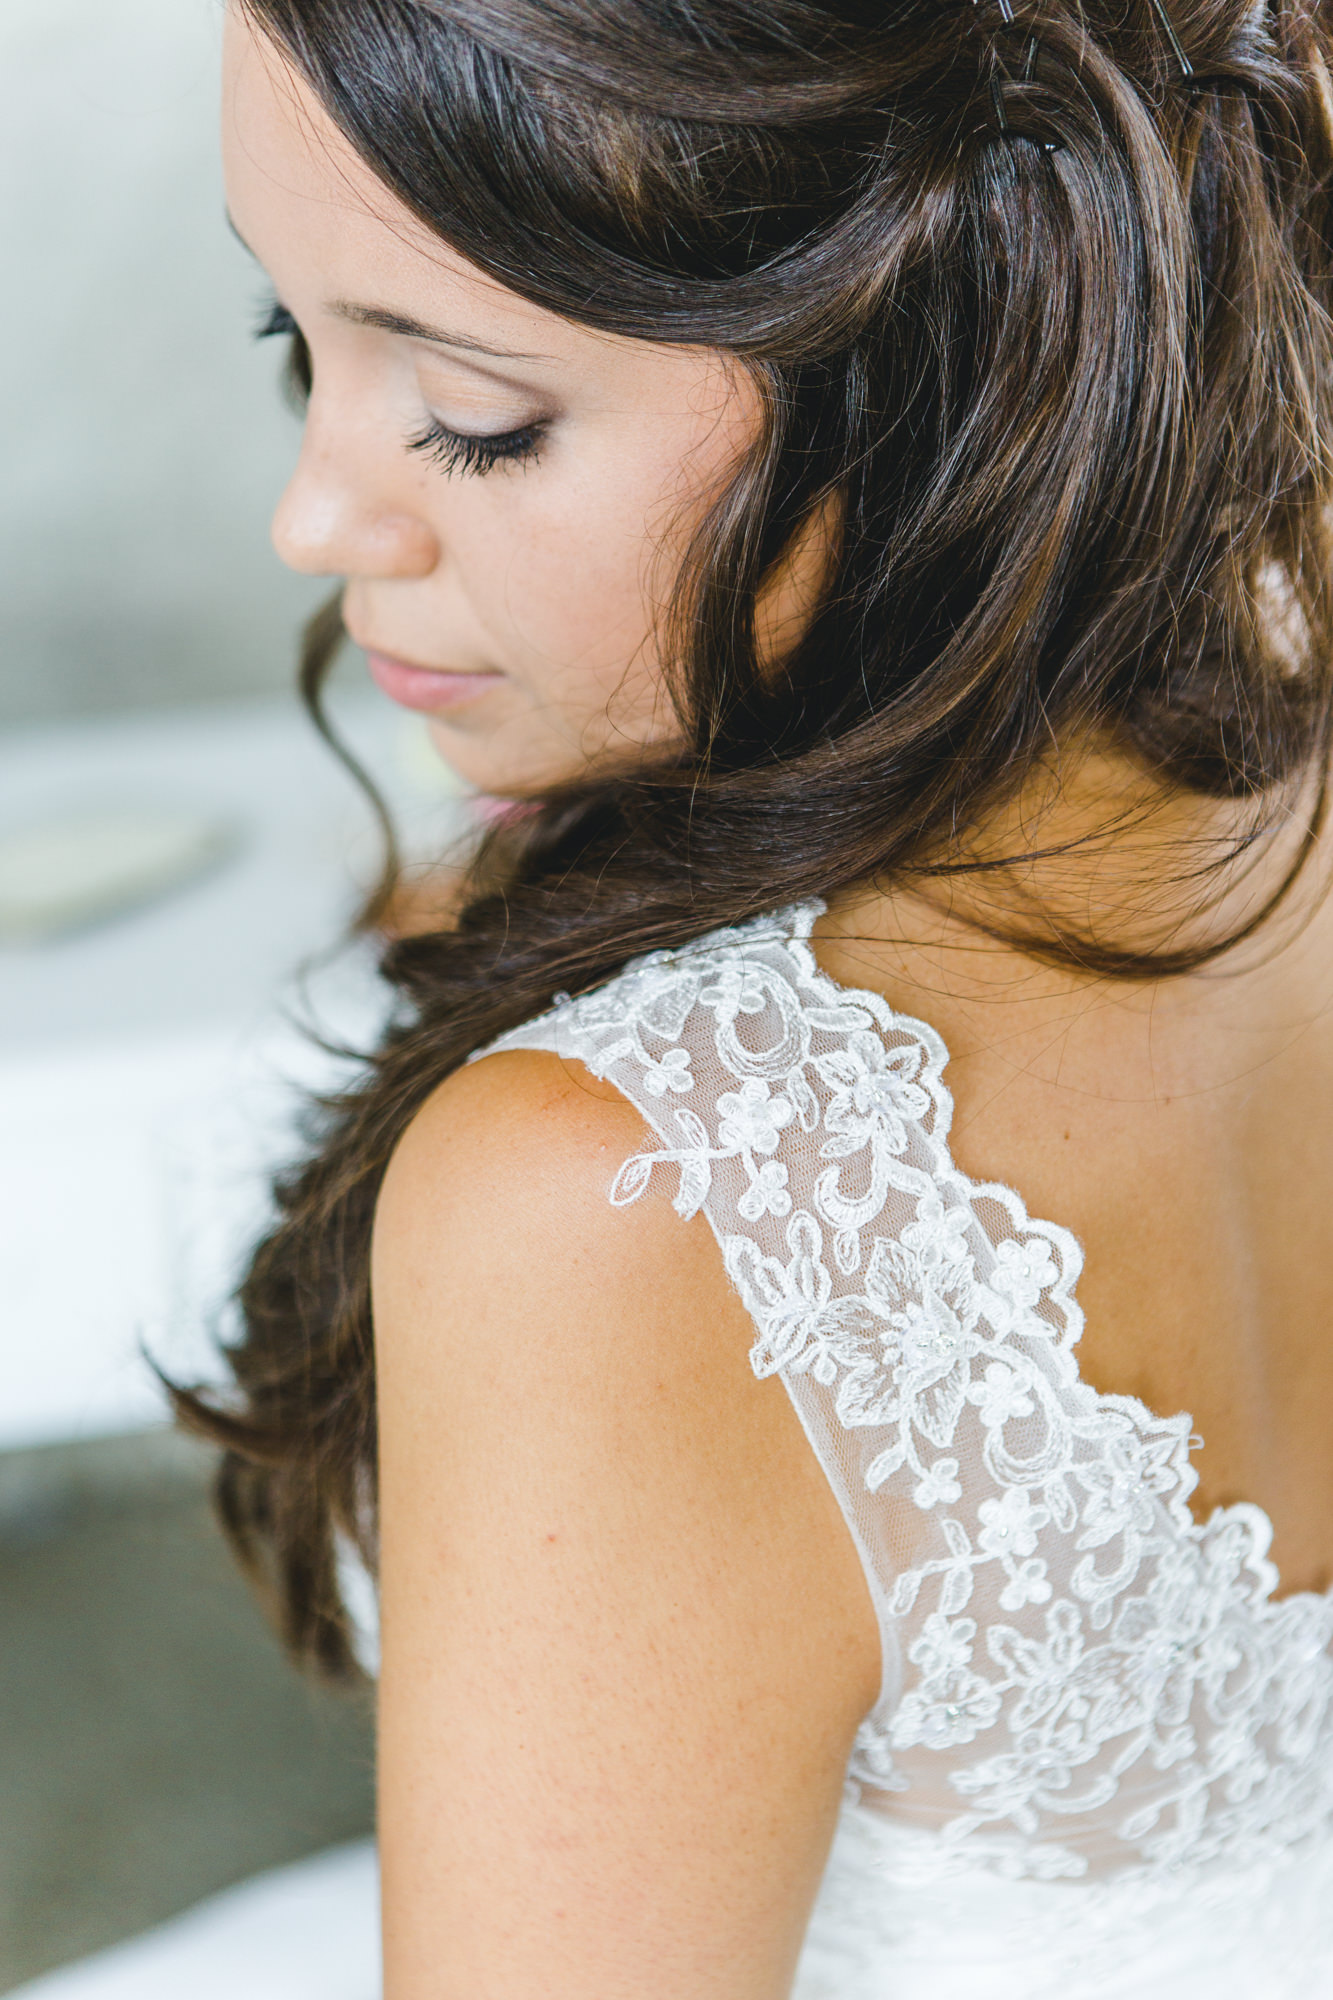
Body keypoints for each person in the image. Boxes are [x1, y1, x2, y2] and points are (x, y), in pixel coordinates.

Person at [33, 0, 1333, 1994]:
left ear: (956, 359)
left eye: (473, 410)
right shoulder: (1280, 747)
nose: (318, 516)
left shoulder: (622, 1199)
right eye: (300, 341)